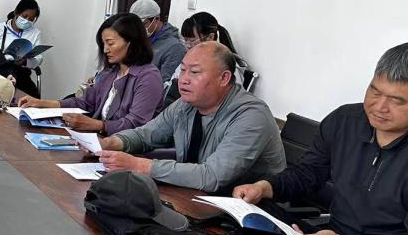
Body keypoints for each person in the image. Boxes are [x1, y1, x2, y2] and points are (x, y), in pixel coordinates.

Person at [233, 43, 408, 235]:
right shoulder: (345, 121)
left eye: (397, 101)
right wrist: (263, 187)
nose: (380, 107)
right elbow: (307, 174)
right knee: (249, 218)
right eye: (375, 92)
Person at [97, 42, 285, 192]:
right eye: (183, 70)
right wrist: (110, 143)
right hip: (195, 196)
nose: (184, 79)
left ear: (224, 78)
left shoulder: (251, 116)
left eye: (194, 72)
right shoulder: (185, 104)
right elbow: (145, 135)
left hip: (248, 210)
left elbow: (212, 177)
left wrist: (140, 166)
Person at [19, 13, 162, 134]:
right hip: (98, 140)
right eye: (103, 44)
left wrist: (96, 125)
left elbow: (135, 124)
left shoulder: (149, 77)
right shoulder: (111, 71)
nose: (105, 50)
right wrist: (41, 103)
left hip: (123, 149)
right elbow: (85, 102)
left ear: (131, 42)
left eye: (110, 43)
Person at [0, 0, 44, 98]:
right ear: (16, 12)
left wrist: (25, 62)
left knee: (33, 99)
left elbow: (39, 58)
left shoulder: (35, 33)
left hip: (22, 74)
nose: (27, 21)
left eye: (31, 19)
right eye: (24, 16)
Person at [128, 0, 185, 86]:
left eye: (143, 24)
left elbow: (164, 84)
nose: (138, 29)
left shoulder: (174, 47)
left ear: (157, 19)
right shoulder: (141, 38)